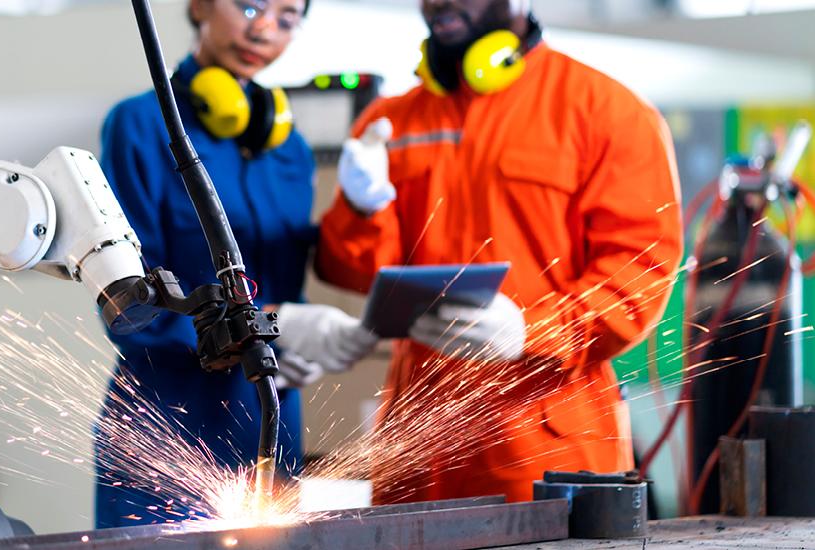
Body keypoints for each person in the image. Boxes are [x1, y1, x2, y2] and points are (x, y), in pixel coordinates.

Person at [317, 0, 683, 504]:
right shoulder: (390, 122)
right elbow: (354, 272)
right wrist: (360, 210)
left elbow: (639, 271)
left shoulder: (606, 110)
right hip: (416, 444)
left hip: (545, 448)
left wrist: (532, 330)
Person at [95, 0, 377, 527]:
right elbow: (127, 305)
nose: (265, 28)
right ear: (199, 5)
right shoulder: (140, 126)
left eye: (288, 17)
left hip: (269, 424)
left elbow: (287, 281)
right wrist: (270, 327)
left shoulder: (287, 148)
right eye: (249, 5)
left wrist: (295, 340)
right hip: (166, 429)